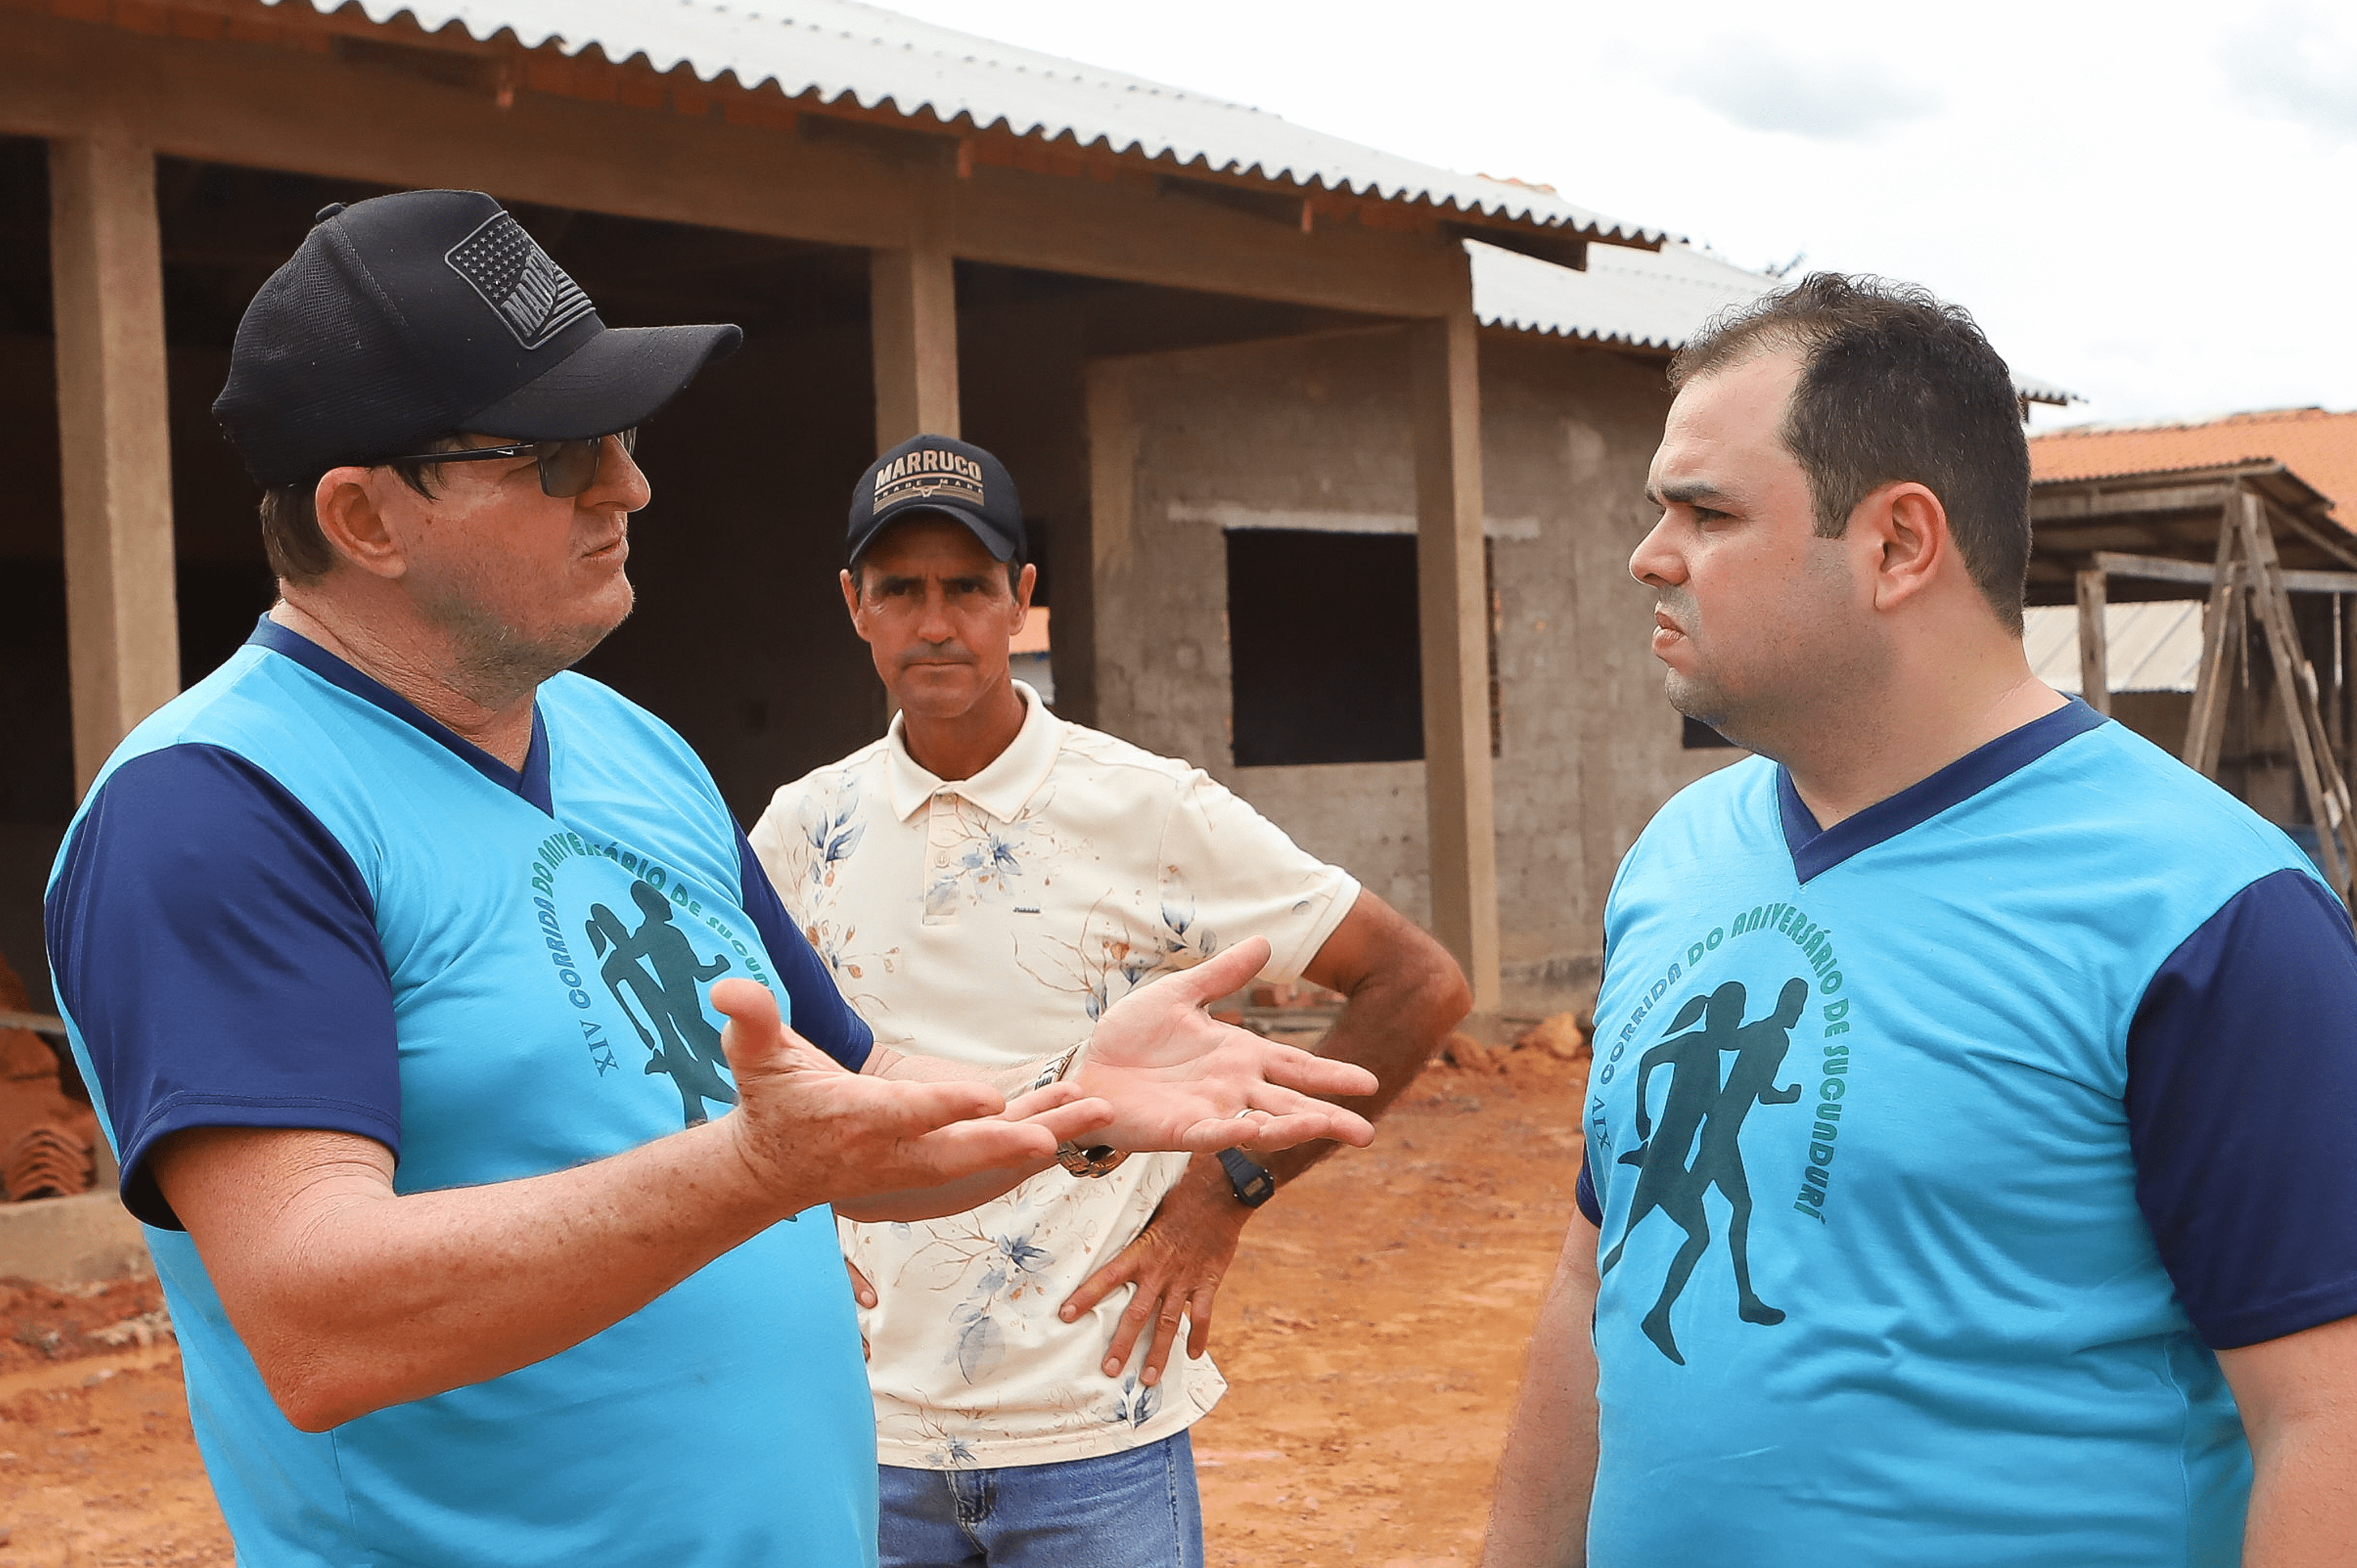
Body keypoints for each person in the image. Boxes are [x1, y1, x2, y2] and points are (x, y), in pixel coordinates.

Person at [41, 190, 1380, 1568]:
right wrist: (750, 1173)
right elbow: (319, 1321)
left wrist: (1070, 1097)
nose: (629, 486)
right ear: (365, 517)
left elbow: (846, 1128)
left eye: (621, 439)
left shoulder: (632, 751)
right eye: (558, 456)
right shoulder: (218, 813)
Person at [1478, 274, 2357, 1567]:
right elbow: (1588, 1277)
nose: (1648, 555)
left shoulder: (2210, 912)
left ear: (1898, 543)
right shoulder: (1677, 856)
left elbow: (2323, 1415)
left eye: (1705, 511)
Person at [747, 433, 1469, 1567]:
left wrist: (1220, 1193)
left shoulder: (1147, 811)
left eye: (968, 587)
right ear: (855, 606)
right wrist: (774, 1230)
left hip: (1093, 1414)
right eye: (901, 589)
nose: (936, 621)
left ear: (1020, 600)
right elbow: (735, 1061)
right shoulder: (801, 830)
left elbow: (1417, 981)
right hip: (864, 1417)